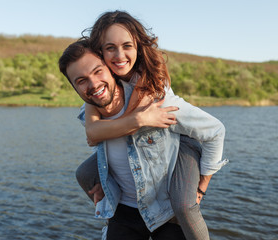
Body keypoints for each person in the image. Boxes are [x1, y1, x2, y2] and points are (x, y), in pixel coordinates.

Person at [73, 10, 228, 240]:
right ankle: (110, 210)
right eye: (109, 48)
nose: (119, 55)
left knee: (184, 205)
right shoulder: (102, 90)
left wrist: (202, 185)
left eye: (127, 45)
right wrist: (108, 184)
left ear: (138, 47)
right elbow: (92, 134)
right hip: (131, 196)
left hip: (182, 145)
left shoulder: (154, 91)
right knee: (85, 173)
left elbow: (215, 131)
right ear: (99, 52)